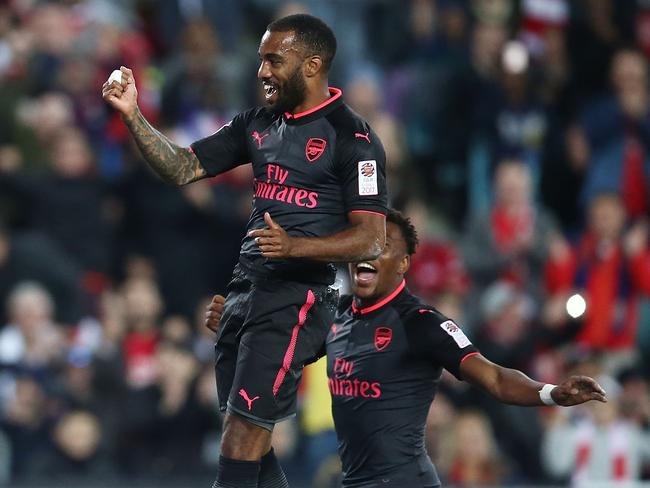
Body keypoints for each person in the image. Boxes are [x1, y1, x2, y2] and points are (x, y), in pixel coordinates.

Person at [102, 14, 387, 488]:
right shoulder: (256, 124)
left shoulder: (354, 141)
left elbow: (372, 239)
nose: (261, 72)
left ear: (312, 64)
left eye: (274, 60)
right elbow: (184, 168)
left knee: (239, 441)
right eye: (260, 60)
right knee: (250, 447)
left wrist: (295, 247)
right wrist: (134, 115)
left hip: (298, 299)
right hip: (245, 293)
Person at [206, 209, 607, 488]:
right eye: (362, 244)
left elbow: (495, 379)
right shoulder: (335, 314)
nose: (367, 253)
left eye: (381, 247)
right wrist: (234, 330)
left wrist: (552, 393)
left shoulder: (421, 323)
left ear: (403, 264)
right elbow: (280, 353)